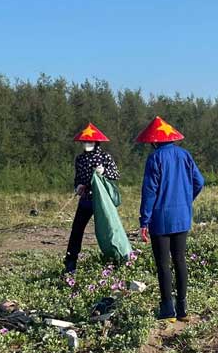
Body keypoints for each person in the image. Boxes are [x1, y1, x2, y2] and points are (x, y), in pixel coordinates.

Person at [137, 116, 204, 321]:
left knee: (163, 264)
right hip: (182, 217)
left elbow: (149, 192)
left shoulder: (155, 158)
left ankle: (167, 309)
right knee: (180, 260)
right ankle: (183, 308)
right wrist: (186, 199)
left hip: (160, 219)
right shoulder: (185, 155)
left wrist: (144, 221)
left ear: (155, 141)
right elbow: (199, 182)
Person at [63, 123, 121, 273]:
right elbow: (77, 179)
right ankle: (70, 261)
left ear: (96, 142)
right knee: (77, 230)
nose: (86, 144)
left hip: (103, 201)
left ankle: (117, 258)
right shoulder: (80, 159)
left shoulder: (105, 157)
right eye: (84, 142)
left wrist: (104, 171)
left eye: (89, 142)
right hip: (86, 201)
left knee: (109, 229)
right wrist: (78, 187)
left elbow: (116, 174)